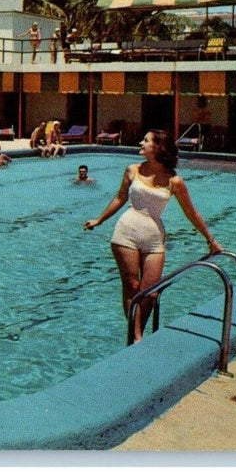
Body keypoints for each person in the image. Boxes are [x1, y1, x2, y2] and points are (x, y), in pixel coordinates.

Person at [83, 130, 224, 342]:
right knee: (132, 286)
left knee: (151, 292)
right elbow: (120, 198)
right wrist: (99, 220)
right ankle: (137, 337)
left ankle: (135, 333)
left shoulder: (174, 181)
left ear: (158, 147)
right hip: (126, 234)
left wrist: (210, 240)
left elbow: (192, 213)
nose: (141, 142)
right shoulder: (132, 170)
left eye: (146, 140)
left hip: (154, 239)